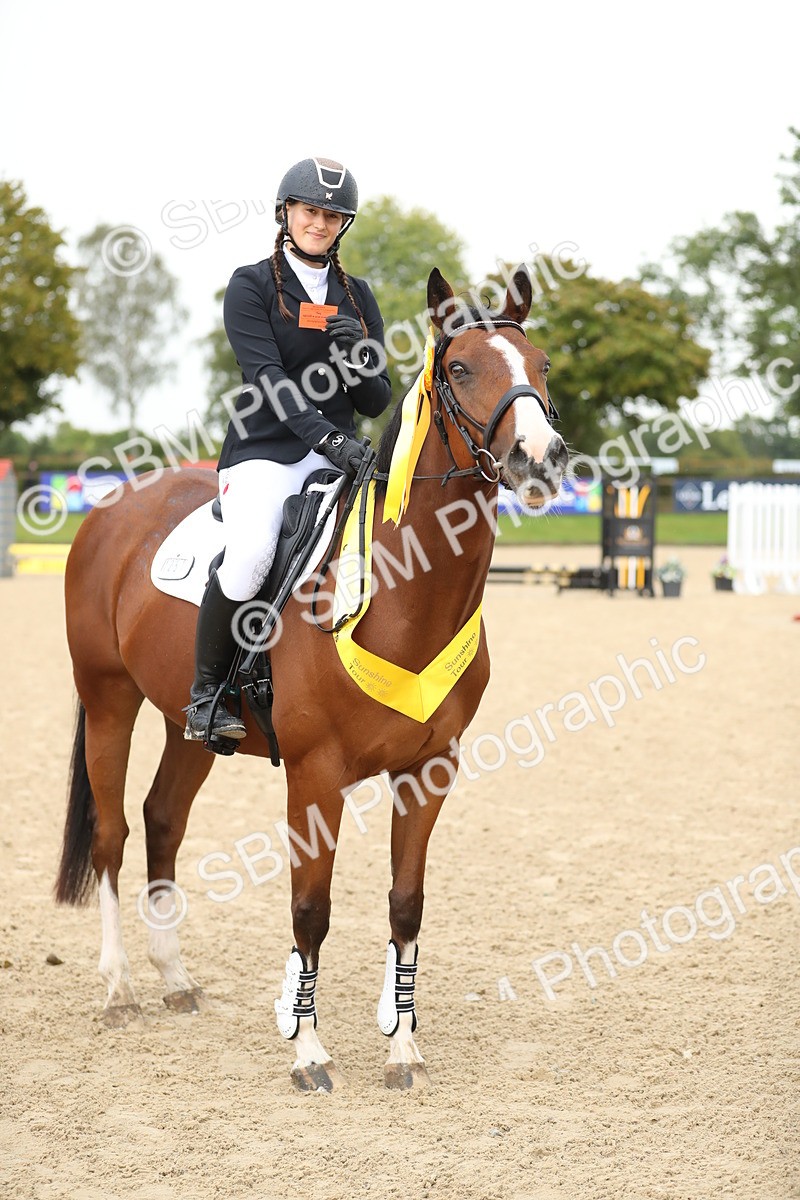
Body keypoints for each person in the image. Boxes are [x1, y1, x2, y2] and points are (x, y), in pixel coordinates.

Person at [184, 157, 392, 743]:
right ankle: (207, 696)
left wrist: (360, 357)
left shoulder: (360, 296)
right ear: (286, 213)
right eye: (309, 211)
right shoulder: (250, 285)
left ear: (342, 224)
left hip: (336, 456)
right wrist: (331, 441)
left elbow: (376, 401)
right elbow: (268, 380)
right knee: (251, 555)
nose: (319, 223)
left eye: (332, 215)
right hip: (263, 453)